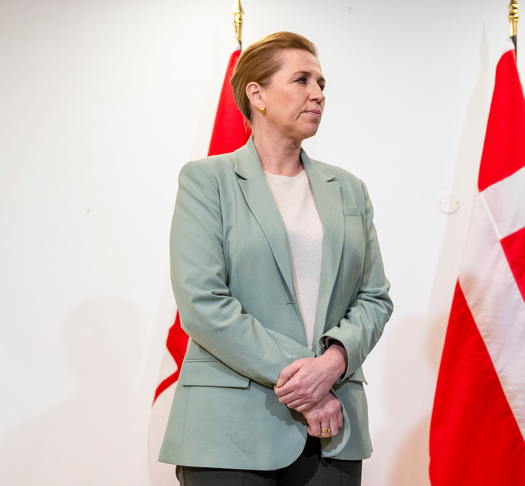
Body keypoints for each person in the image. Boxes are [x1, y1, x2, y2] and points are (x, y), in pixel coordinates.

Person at [159, 31, 393, 485]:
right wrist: (307, 385)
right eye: (302, 80)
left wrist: (331, 364)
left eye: (321, 83)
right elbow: (203, 302)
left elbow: (374, 298)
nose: (318, 94)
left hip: (332, 431)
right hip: (229, 431)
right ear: (257, 94)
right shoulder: (208, 181)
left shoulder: (349, 189)